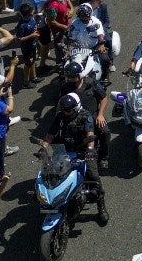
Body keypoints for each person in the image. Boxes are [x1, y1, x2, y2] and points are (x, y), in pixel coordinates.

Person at [38, 93, 108, 223]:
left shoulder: (85, 116)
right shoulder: (60, 116)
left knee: (94, 177)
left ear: (75, 107)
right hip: (63, 151)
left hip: (83, 152)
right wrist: (43, 147)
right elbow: (49, 135)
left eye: (67, 110)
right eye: (63, 109)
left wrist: (90, 150)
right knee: (50, 175)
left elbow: (90, 134)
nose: (65, 112)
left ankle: (101, 205)